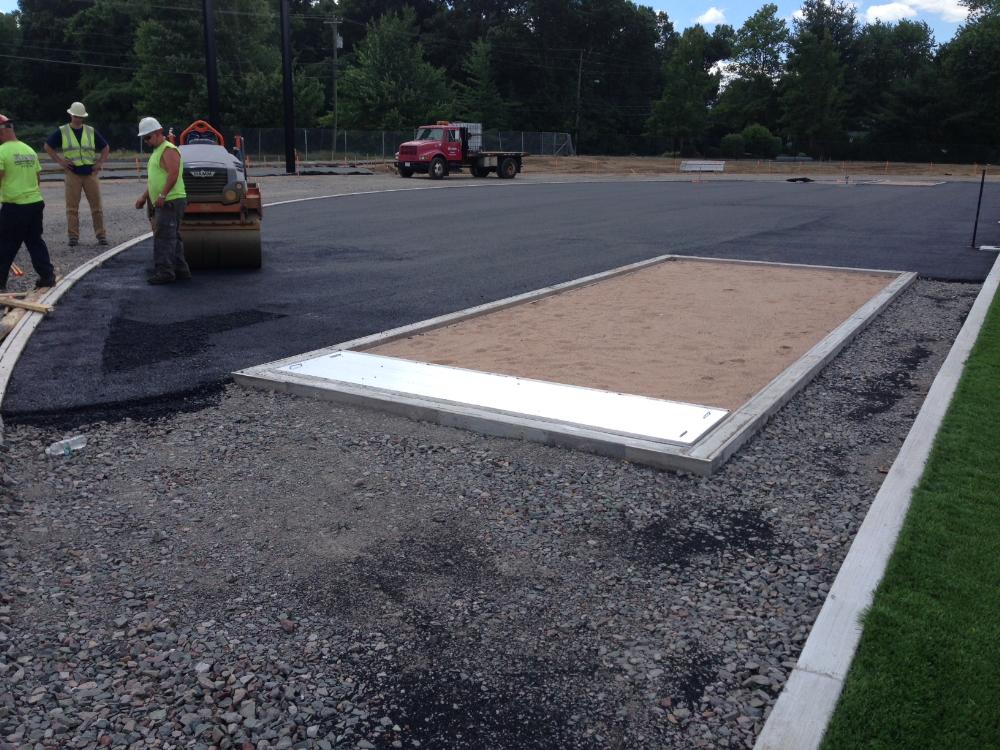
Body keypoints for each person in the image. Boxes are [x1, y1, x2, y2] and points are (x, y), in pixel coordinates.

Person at [0, 114, 56, 292]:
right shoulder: (29, 150)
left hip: (15, 206)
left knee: (6, 244)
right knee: (34, 241)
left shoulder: (2, 152)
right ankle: (47, 276)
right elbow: (37, 179)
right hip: (35, 203)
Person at [43, 101, 110, 247]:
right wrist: (60, 161)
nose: (78, 119)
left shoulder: (91, 131)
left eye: (80, 117)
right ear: (71, 115)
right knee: (72, 208)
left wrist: (99, 163)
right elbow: (48, 146)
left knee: (97, 207)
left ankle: (101, 235)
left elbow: (105, 147)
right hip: (72, 173)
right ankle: (73, 236)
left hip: (90, 173)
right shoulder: (63, 131)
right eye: (76, 116)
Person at [134, 117, 190, 285]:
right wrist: (145, 197)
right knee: (172, 237)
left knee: (164, 238)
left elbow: (173, 174)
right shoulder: (158, 151)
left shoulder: (168, 149)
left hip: (170, 201)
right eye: (144, 138)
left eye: (148, 137)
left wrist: (162, 195)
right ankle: (180, 270)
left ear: (159, 133)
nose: (146, 141)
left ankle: (165, 272)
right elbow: (156, 180)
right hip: (168, 200)